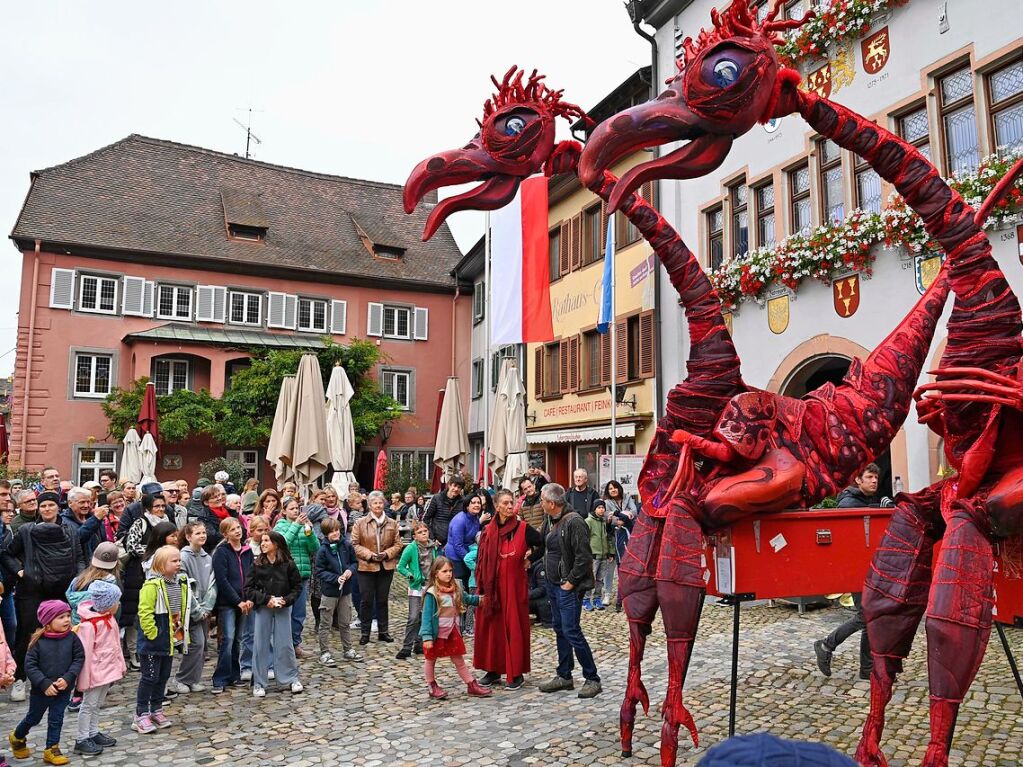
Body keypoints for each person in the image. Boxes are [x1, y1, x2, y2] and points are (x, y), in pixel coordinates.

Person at [2, 492, 85, 703]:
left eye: (51, 505)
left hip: (60, 589)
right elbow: (7, 554)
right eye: (43, 506)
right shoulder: (27, 531)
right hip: (31, 590)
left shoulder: (71, 530)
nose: (47, 509)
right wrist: (21, 572)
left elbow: (80, 558)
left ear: (58, 507)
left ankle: (59, 679)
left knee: (62, 635)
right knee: (27, 635)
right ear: (38, 509)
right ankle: (20, 679)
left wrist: (78, 580)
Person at [812, 464, 887, 682]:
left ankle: (867, 669)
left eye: (876, 477)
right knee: (866, 616)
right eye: (870, 477)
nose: (874, 481)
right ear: (858, 480)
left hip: (868, 569)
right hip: (855, 570)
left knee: (870, 618)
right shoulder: (849, 502)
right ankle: (826, 645)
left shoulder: (866, 501)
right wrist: (879, 510)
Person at [473, 489, 544, 690]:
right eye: (505, 503)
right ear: (497, 506)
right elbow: (481, 558)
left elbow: (542, 544)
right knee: (492, 627)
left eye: (511, 502)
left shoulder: (523, 528)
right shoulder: (488, 530)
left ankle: (516, 673)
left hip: (514, 587)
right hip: (492, 587)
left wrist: (530, 559)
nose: (510, 506)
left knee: (513, 626)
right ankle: (493, 670)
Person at [537, 483, 600, 698]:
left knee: (571, 630)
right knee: (560, 629)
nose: (540, 503)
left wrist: (570, 582)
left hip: (568, 586)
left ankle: (592, 678)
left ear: (552, 503)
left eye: (542, 500)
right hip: (553, 584)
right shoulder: (550, 519)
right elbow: (543, 545)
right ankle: (564, 675)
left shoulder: (574, 522)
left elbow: (584, 558)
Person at [8, 600, 84, 766]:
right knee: (33, 718)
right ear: (48, 622)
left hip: (63, 689)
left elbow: (79, 658)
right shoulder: (37, 642)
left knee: (56, 718)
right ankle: (17, 736)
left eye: (68, 616)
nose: (66, 620)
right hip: (41, 691)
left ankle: (52, 749)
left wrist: (68, 677)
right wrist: (44, 684)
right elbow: (30, 666)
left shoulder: (72, 638)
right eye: (61, 617)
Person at [133, 545, 189, 734]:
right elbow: (145, 612)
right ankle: (140, 713)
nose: (178, 564)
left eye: (179, 560)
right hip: (154, 640)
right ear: (160, 564)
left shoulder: (179, 583)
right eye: (174, 561)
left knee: (163, 676)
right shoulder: (152, 586)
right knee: (150, 677)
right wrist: (153, 633)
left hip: (171, 638)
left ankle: (156, 709)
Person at [418, 556, 490, 700]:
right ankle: (431, 685)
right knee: (431, 659)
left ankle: (471, 684)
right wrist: (426, 637)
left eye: (450, 570)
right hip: (436, 634)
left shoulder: (456, 589)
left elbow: (468, 598)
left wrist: (482, 600)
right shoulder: (432, 594)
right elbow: (426, 617)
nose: (449, 574)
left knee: (458, 659)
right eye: (444, 571)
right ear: (436, 573)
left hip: (452, 632)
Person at [244, 531, 303, 698]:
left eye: (266, 541)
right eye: (262, 541)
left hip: (283, 607)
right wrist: (265, 599)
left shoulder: (288, 564)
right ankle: (259, 682)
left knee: (285, 642)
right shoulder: (257, 564)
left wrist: (286, 600)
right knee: (260, 644)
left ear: (276, 544)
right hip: (264, 607)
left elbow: (297, 587)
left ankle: (290, 678)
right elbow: (248, 589)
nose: (262, 544)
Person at [72, 580, 124, 757]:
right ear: (108, 604)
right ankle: (81, 738)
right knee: (88, 705)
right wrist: (83, 680)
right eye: (116, 601)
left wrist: (120, 666)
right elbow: (84, 655)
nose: (118, 604)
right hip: (94, 674)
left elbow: (116, 645)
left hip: (107, 671)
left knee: (97, 704)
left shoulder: (109, 620)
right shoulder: (89, 626)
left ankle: (93, 732)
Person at [351, 491, 403, 645]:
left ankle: (383, 631)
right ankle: (365, 632)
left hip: (385, 566)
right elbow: (354, 543)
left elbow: (398, 544)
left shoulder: (392, 523)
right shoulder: (360, 523)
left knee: (382, 600)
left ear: (384, 504)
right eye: (375, 503)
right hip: (366, 566)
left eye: (380, 503)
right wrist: (369, 555)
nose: (378, 505)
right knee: (366, 600)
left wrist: (386, 554)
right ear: (370, 505)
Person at [210, 518, 253, 694]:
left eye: (238, 528)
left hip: (245, 602)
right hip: (228, 603)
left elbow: (251, 575)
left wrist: (249, 598)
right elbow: (222, 580)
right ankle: (220, 678)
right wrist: (237, 600)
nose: (237, 531)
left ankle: (235, 675)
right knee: (227, 640)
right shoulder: (221, 552)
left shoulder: (247, 551)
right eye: (232, 529)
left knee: (238, 640)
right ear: (225, 534)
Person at [171, 522, 215, 694]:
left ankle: (193, 678)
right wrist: (197, 609)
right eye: (198, 533)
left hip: (205, 608)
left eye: (204, 532)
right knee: (195, 644)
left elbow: (211, 584)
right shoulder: (184, 557)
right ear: (189, 537)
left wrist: (208, 606)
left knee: (203, 646)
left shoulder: (207, 558)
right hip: (190, 610)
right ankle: (182, 678)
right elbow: (185, 585)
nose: (202, 536)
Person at [273, 497, 319, 655]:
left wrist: (310, 532)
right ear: (284, 511)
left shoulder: (303, 526)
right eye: (291, 508)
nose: (295, 511)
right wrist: (296, 525)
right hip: (286, 576)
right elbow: (282, 543)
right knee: (287, 612)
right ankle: (283, 646)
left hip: (302, 575)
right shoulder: (280, 526)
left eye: (297, 508)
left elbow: (314, 548)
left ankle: (295, 644)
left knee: (299, 613)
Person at [312, 518, 362, 666]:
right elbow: (319, 571)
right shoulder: (322, 550)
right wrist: (335, 578)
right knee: (325, 623)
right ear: (326, 534)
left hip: (345, 591)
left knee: (345, 622)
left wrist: (349, 571)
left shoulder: (346, 545)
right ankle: (324, 652)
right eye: (332, 531)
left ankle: (348, 649)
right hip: (329, 592)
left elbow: (354, 562)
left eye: (337, 530)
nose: (336, 534)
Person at [395, 522, 437, 660]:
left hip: (430, 586)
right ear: (415, 536)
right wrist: (410, 574)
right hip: (416, 586)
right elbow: (400, 566)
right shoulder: (411, 548)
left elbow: (436, 564)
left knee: (425, 616)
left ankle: (419, 644)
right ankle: (407, 646)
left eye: (425, 531)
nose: (424, 534)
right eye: (420, 532)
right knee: (413, 617)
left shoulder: (433, 547)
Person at [65, 542, 121, 626]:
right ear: (117, 564)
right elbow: (114, 613)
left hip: (77, 628)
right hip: (101, 630)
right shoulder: (112, 585)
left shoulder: (77, 581)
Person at [443, 493, 483, 597]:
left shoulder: (475, 518)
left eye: (478, 503)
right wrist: (468, 558)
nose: (477, 505)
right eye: (473, 503)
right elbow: (457, 545)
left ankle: (465, 609)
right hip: (455, 556)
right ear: (467, 506)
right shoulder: (460, 520)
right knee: (459, 586)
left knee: (466, 584)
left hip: (467, 553)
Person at [583, 501, 614, 611]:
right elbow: (584, 539)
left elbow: (608, 538)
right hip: (593, 555)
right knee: (590, 578)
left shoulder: (604, 522)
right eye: (599, 507)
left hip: (603, 555)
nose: (602, 509)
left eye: (603, 507)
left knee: (600, 579)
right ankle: (586, 599)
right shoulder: (588, 521)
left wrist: (610, 552)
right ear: (594, 509)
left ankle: (597, 598)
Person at [61, 487, 107, 560]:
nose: (86, 506)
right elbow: (76, 540)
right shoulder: (63, 522)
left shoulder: (93, 517)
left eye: (88, 502)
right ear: (70, 503)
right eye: (82, 502)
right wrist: (95, 520)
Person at [188, 485, 233, 553]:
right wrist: (231, 535)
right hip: (215, 551)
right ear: (206, 502)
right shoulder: (203, 517)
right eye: (215, 497)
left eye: (219, 495)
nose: (219, 498)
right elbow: (212, 536)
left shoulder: (229, 511)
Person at [422, 477, 465, 546]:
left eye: (459, 487)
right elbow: (426, 519)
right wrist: (432, 538)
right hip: (438, 541)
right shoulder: (437, 498)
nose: (456, 489)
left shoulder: (463, 502)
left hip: (454, 542)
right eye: (454, 486)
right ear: (449, 485)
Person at [527, 559, 553, 628]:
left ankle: (546, 619)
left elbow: (543, 589)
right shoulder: (519, 566)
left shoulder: (540, 567)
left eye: (528, 550)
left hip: (542, 600)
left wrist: (525, 595)